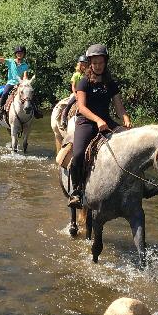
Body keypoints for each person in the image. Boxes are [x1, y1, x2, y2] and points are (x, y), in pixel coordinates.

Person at [67, 43, 132, 206]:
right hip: (86, 122)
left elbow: (119, 107)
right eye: (95, 63)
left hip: (106, 120)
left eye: (101, 63)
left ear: (105, 62)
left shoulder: (111, 83)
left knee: (131, 147)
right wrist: (97, 120)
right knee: (78, 154)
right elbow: (81, 107)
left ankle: (139, 185)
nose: (98, 66)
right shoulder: (83, 82)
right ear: (90, 64)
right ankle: (76, 191)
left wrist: (125, 118)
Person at [59, 54, 88, 128]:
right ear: (80, 65)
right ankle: (64, 117)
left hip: (86, 93)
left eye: (85, 65)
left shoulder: (87, 75)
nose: (84, 67)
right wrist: (75, 94)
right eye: (83, 65)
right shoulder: (76, 75)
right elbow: (73, 86)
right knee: (69, 104)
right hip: (77, 93)